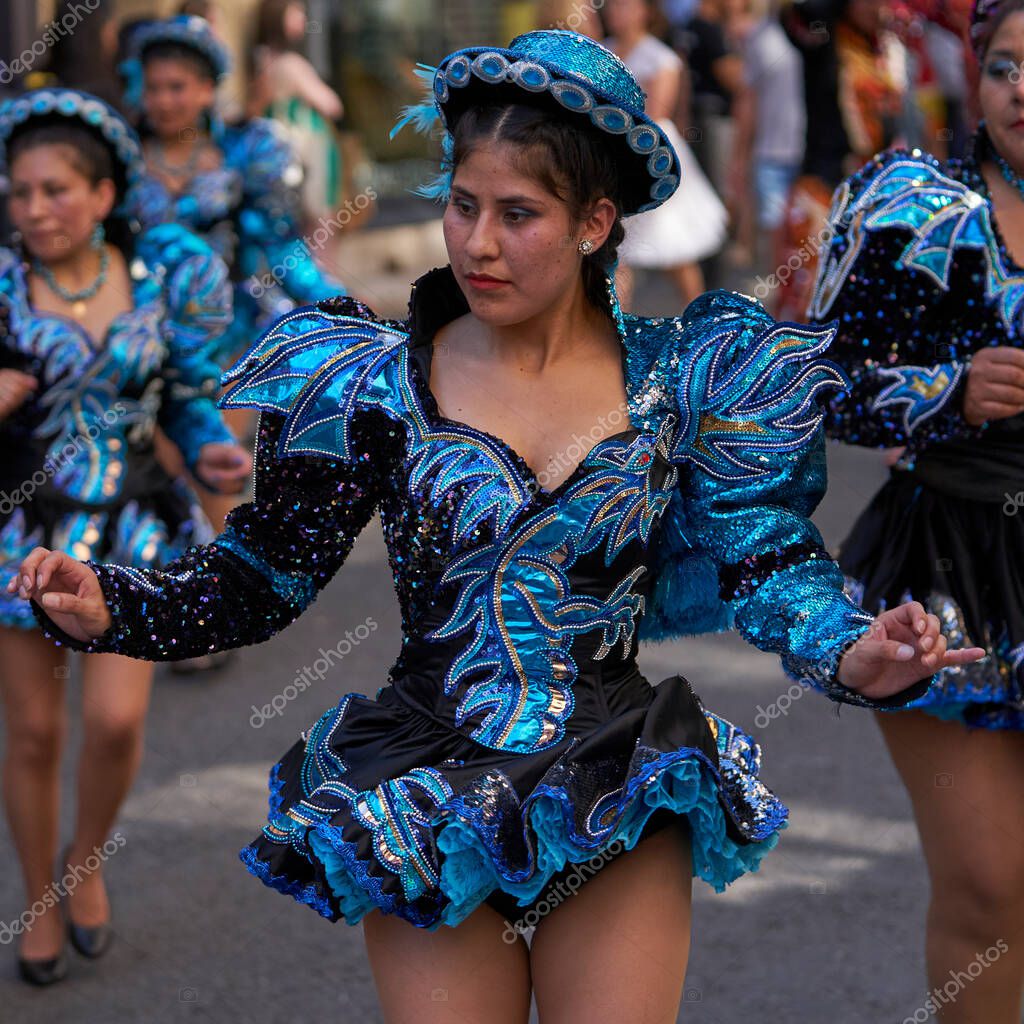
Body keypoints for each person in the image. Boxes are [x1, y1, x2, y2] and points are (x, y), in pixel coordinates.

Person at [10, 33, 980, 1021]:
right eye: (461, 204)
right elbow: (264, 573)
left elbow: (765, 557)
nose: (476, 243)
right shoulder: (372, 383)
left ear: (595, 222)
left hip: (616, 773)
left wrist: (849, 647)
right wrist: (119, 606)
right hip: (424, 790)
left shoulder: (683, 380)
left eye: (518, 215)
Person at [0, 88, 251, 986]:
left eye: (56, 190)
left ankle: (85, 859)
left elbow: (184, 396)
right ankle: (38, 895)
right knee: (34, 733)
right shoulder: (2, 286)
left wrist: (211, 446)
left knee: (113, 722)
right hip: (22, 535)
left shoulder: (156, 279)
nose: (35, 210)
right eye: (21, 192)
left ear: (104, 195)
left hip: (133, 529)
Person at [807, 0, 1024, 1015]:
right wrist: (946, 392)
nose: (1022, 89)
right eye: (1005, 65)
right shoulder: (908, 205)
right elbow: (816, 381)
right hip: (951, 559)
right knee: (988, 887)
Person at [121, 15, 345, 369]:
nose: (163, 101)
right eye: (153, 88)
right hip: (144, 336)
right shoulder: (123, 161)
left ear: (207, 89)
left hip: (232, 333)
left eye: (176, 87)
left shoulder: (245, 153)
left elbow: (280, 247)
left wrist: (335, 303)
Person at [605, 0, 728, 308]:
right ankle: (619, 325)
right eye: (614, 5)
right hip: (612, 156)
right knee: (617, 250)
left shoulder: (660, 57)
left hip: (651, 156)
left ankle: (698, 318)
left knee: (674, 248)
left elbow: (657, 113)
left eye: (626, 6)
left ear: (645, 11)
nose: (617, 12)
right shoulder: (604, 51)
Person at [248, 0, 346, 230]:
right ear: (278, 17)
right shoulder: (290, 64)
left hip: (279, 154)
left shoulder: (261, 59)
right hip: (308, 151)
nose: (304, 18)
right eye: (296, 12)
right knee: (321, 226)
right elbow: (332, 105)